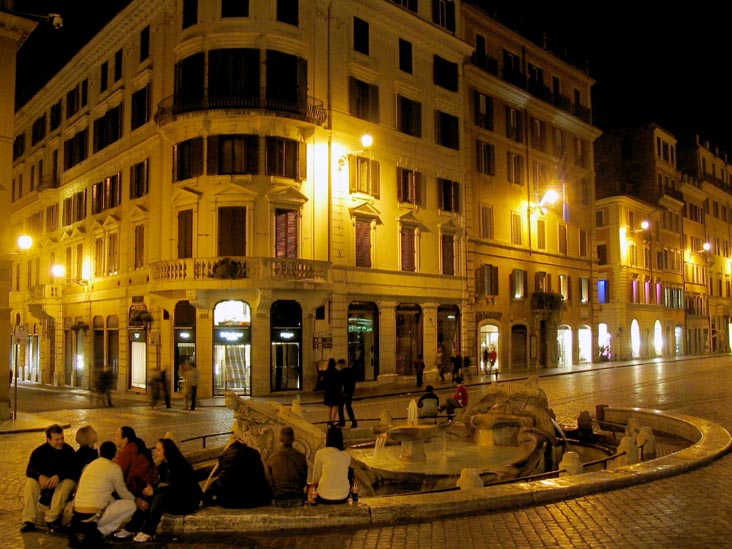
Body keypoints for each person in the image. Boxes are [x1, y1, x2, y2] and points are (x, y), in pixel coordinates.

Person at [122, 438, 203, 543]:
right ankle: (133, 527)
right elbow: (159, 485)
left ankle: (149, 531)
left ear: (167, 451)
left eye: (159, 450)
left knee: (159, 497)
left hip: (187, 502)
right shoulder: (164, 465)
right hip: (175, 497)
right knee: (148, 495)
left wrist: (154, 491)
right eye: (156, 449)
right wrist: (149, 490)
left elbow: (178, 488)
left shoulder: (180, 465)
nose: (156, 452)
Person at [68, 441, 137, 548]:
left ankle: (94, 533)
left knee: (109, 497)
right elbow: (123, 493)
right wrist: (136, 500)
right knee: (130, 505)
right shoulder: (114, 468)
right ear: (115, 454)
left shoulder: (89, 465)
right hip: (93, 517)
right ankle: (100, 532)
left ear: (100, 453)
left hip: (77, 515)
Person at [20, 424, 78, 533]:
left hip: (63, 480)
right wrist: (40, 476)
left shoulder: (68, 451)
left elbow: (74, 469)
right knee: (31, 483)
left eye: (62, 438)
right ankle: (29, 520)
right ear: (48, 440)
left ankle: (52, 518)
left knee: (67, 484)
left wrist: (59, 476)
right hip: (46, 481)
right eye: (57, 439)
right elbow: (30, 470)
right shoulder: (39, 452)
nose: (60, 442)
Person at [203, 422, 272, 508]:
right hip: (253, 500)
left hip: (229, 501)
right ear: (243, 443)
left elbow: (222, 478)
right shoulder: (253, 453)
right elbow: (261, 476)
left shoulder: (224, 455)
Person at [309, 426, 353, 504]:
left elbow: (315, 478)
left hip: (324, 496)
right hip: (343, 495)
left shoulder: (320, 453)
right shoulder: (347, 454)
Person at [266, 426, 308, 507]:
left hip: (279, 499)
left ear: (280, 439)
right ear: (293, 439)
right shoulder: (301, 457)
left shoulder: (272, 458)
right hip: (297, 498)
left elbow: (269, 481)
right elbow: (304, 480)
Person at [337, 358, 358, 428]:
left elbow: (341, 383)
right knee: (345, 407)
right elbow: (353, 382)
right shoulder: (350, 371)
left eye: (340, 365)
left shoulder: (343, 372)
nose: (339, 366)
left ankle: (347, 422)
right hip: (347, 392)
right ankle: (350, 421)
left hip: (345, 392)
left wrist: (345, 391)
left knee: (344, 407)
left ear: (342, 364)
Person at [322, 358, 341, 425]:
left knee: (329, 406)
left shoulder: (326, 372)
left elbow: (323, 381)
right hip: (335, 391)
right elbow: (339, 382)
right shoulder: (337, 372)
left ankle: (329, 420)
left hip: (328, 391)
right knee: (335, 406)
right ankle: (332, 421)